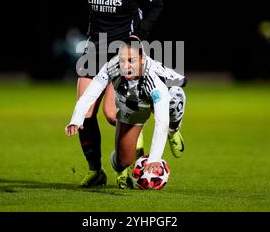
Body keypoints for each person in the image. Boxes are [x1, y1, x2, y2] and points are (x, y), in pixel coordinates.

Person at [74, 0, 164, 187]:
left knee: (113, 115)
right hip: (93, 50)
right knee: (85, 113)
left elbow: (157, 5)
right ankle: (95, 171)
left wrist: (138, 36)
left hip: (122, 54)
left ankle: (130, 163)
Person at [66, 38, 186, 189]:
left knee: (176, 95)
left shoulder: (154, 79)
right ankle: (122, 166)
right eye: (122, 60)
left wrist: (154, 158)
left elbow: (161, 121)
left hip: (160, 96)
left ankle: (174, 131)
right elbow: (91, 93)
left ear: (142, 60)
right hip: (133, 105)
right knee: (123, 161)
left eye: (131, 60)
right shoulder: (112, 67)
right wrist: (76, 120)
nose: (126, 66)